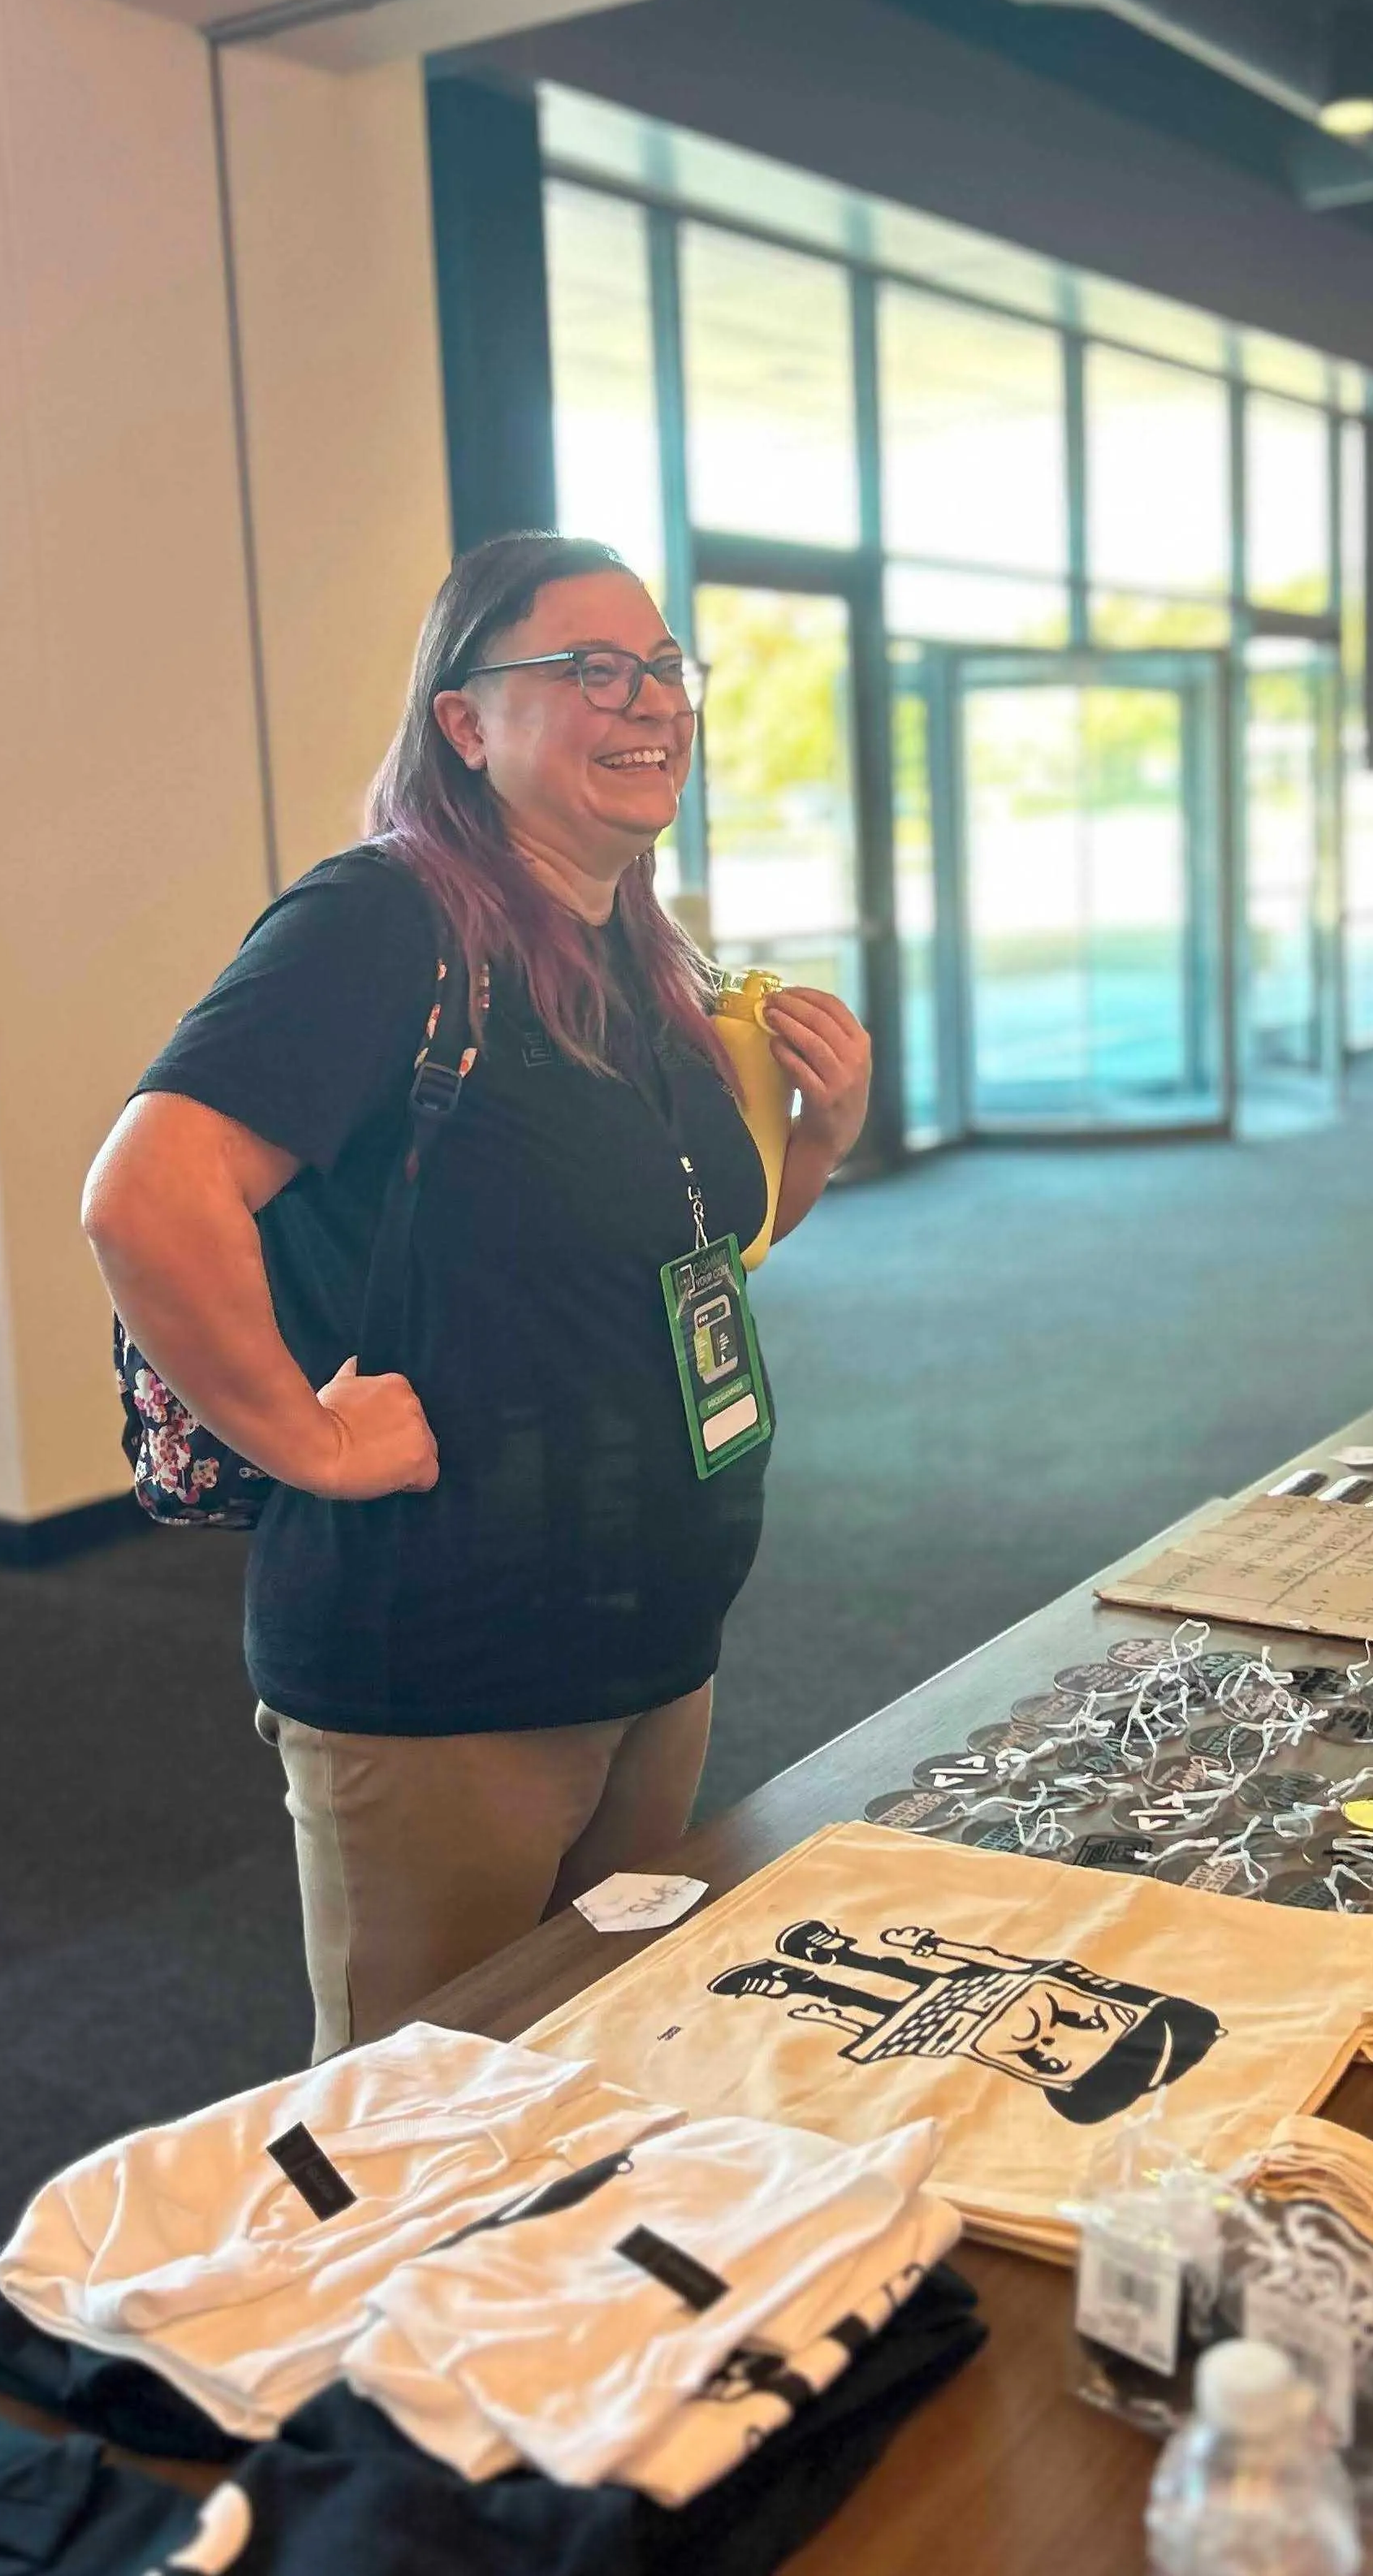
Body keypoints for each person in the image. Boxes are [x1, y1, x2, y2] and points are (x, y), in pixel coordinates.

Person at [83, 533, 872, 2060]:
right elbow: (146, 1195)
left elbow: (693, 1245)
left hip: (652, 1625)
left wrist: (820, 1140)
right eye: (589, 668)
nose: (647, 700)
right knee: (416, 2118)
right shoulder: (384, 922)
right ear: (465, 721)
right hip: (449, 1655)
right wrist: (305, 1441)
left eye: (662, 669)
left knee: (596, 2060)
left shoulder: (635, 946)